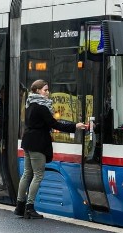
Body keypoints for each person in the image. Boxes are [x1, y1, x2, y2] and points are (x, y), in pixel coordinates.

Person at [15, 79, 86, 219]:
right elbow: (54, 124)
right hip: (38, 143)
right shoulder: (41, 107)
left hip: (28, 142)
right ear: (37, 91)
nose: (47, 93)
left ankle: (19, 206)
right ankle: (29, 207)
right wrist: (75, 126)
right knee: (38, 175)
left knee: (27, 174)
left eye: (47, 90)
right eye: (45, 90)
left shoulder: (29, 104)